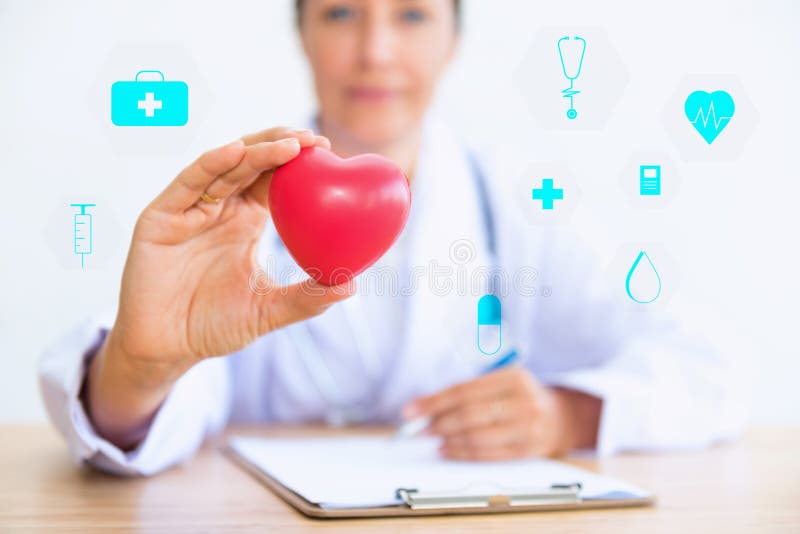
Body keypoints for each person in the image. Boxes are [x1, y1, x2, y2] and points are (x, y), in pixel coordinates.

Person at [39, 0, 742, 476]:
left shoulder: (523, 204)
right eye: (342, 12)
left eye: (411, 14)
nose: (374, 52)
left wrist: (568, 414)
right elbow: (155, 413)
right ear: (302, 31)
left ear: (454, 38)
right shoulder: (229, 211)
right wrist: (140, 365)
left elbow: (711, 369)